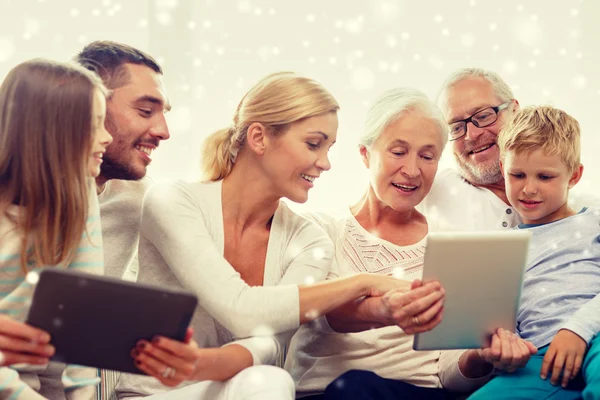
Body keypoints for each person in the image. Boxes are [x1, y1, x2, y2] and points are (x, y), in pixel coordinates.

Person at [116, 73, 443, 400]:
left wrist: (201, 365)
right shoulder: (173, 201)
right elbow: (239, 307)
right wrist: (363, 282)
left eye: (329, 148)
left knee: (267, 380)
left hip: (232, 388)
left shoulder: (309, 239)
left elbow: (270, 343)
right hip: (154, 395)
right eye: (314, 144)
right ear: (258, 138)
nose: (325, 163)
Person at [286, 88, 537, 400]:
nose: (413, 170)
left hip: (423, 395)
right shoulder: (320, 231)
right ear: (365, 154)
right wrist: (384, 309)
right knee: (353, 386)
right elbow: (321, 310)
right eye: (398, 151)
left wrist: (479, 356)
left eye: (427, 156)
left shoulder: (449, 249)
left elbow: (448, 374)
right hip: (333, 393)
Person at [468, 106, 600, 400]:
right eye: (517, 174)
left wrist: (577, 329)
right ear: (503, 169)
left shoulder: (594, 221)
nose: (529, 189)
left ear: (574, 175)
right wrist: (504, 347)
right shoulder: (500, 250)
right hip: (540, 358)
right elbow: (504, 323)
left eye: (545, 177)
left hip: (596, 334)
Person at [0, 59, 112, 399]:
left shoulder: (79, 196)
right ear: (50, 131)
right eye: (94, 125)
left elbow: (83, 318)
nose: (107, 137)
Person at [419, 67, 600, 231]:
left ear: (515, 111)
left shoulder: (586, 216)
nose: (471, 135)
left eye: (483, 116)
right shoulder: (430, 190)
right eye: (456, 127)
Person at [74, 41, 171, 281]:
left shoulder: (138, 196)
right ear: (90, 107)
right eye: (146, 111)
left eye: (163, 114)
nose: (164, 131)